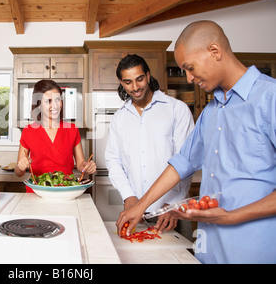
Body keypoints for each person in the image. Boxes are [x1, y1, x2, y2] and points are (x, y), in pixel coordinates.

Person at [118, 20, 276, 264]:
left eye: (190, 68)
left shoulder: (270, 97)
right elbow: (183, 162)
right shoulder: (211, 111)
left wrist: (232, 216)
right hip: (208, 250)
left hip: (254, 250)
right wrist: (141, 206)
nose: (189, 78)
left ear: (214, 51)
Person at [106, 54, 194, 233]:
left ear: (148, 76)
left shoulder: (177, 110)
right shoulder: (119, 118)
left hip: (171, 213)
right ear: (121, 83)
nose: (135, 87)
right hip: (135, 211)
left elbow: (186, 160)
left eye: (139, 79)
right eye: (128, 82)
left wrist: (173, 204)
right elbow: (113, 160)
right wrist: (128, 197)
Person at [15, 79, 96, 191]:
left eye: (58, 100)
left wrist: (87, 167)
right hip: (37, 192)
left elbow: (81, 164)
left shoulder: (72, 129)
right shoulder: (28, 131)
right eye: (48, 101)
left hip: (66, 190)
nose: (55, 106)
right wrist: (20, 166)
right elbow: (19, 173)